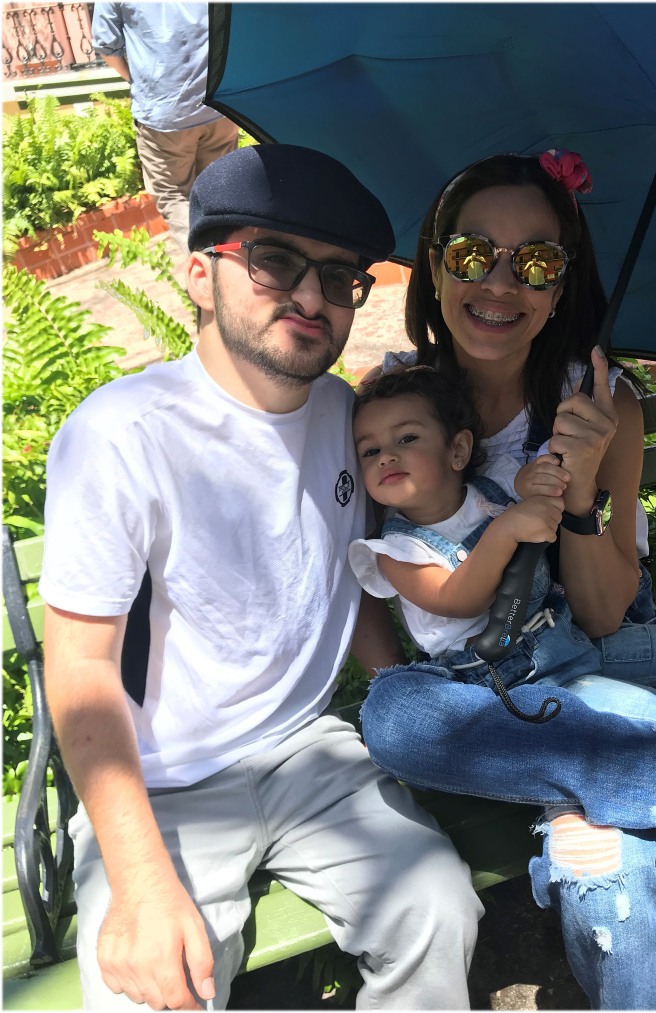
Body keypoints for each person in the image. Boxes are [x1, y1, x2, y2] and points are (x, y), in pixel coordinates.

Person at [39, 142, 485, 1011]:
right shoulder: (122, 436)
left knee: (438, 907)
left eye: (339, 275)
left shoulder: (345, 415)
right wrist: (137, 883)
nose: (312, 296)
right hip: (160, 779)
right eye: (275, 261)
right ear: (201, 272)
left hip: (306, 750)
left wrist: (405, 692)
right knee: (153, 989)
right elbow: (81, 666)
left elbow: (347, 573)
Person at [357, 150, 656, 1008]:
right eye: (473, 254)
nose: (501, 282)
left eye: (535, 261)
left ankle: (626, 779)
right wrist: (457, 707)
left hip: (588, 647)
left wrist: (579, 493)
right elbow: (367, 578)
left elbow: (608, 614)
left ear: (561, 283)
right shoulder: (394, 403)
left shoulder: (600, 405)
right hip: (482, 684)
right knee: (395, 710)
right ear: (434, 265)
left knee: (601, 857)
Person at [350, 365, 656, 740]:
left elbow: (530, 482)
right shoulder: (395, 550)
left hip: (563, 639)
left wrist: (547, 472)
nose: (386, 455)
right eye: (370, 451)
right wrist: (506, 530)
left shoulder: (489, 485)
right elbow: (455, 598)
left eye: (407, 438)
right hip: (505, 681)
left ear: (457, 451)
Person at [91, 3, 240, 252]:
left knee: (174, 196)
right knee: (221, 187)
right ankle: (236, 260)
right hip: (219, 105)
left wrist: (137, 81)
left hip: (164, 114)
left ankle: (210, 271)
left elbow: (106, 45)